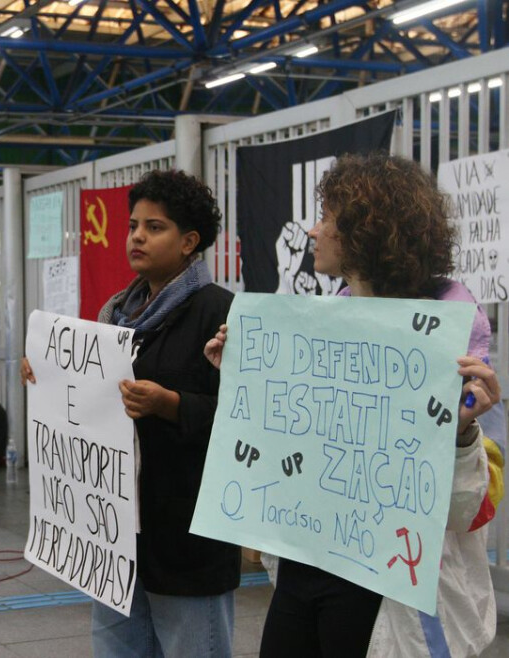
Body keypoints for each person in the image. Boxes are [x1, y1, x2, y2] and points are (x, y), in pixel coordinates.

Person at [205, 152, 503, 657]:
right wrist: (242, 379)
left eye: (327, 218)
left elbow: (468, 512)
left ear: (368, 231)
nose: (313, 231)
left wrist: (461, 434)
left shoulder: (449, 347)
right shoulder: (316, 331)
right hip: (306, 566)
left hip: (389, 583)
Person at [22, 169, 238, 657]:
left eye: (155, 227)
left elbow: (243, 418)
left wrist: (170, 404)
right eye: (132, 225)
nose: (137, 236)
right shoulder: (114, 315)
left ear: (189, 242)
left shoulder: (221, 313)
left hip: (186, 538)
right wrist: (47, 374)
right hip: (115, 537)